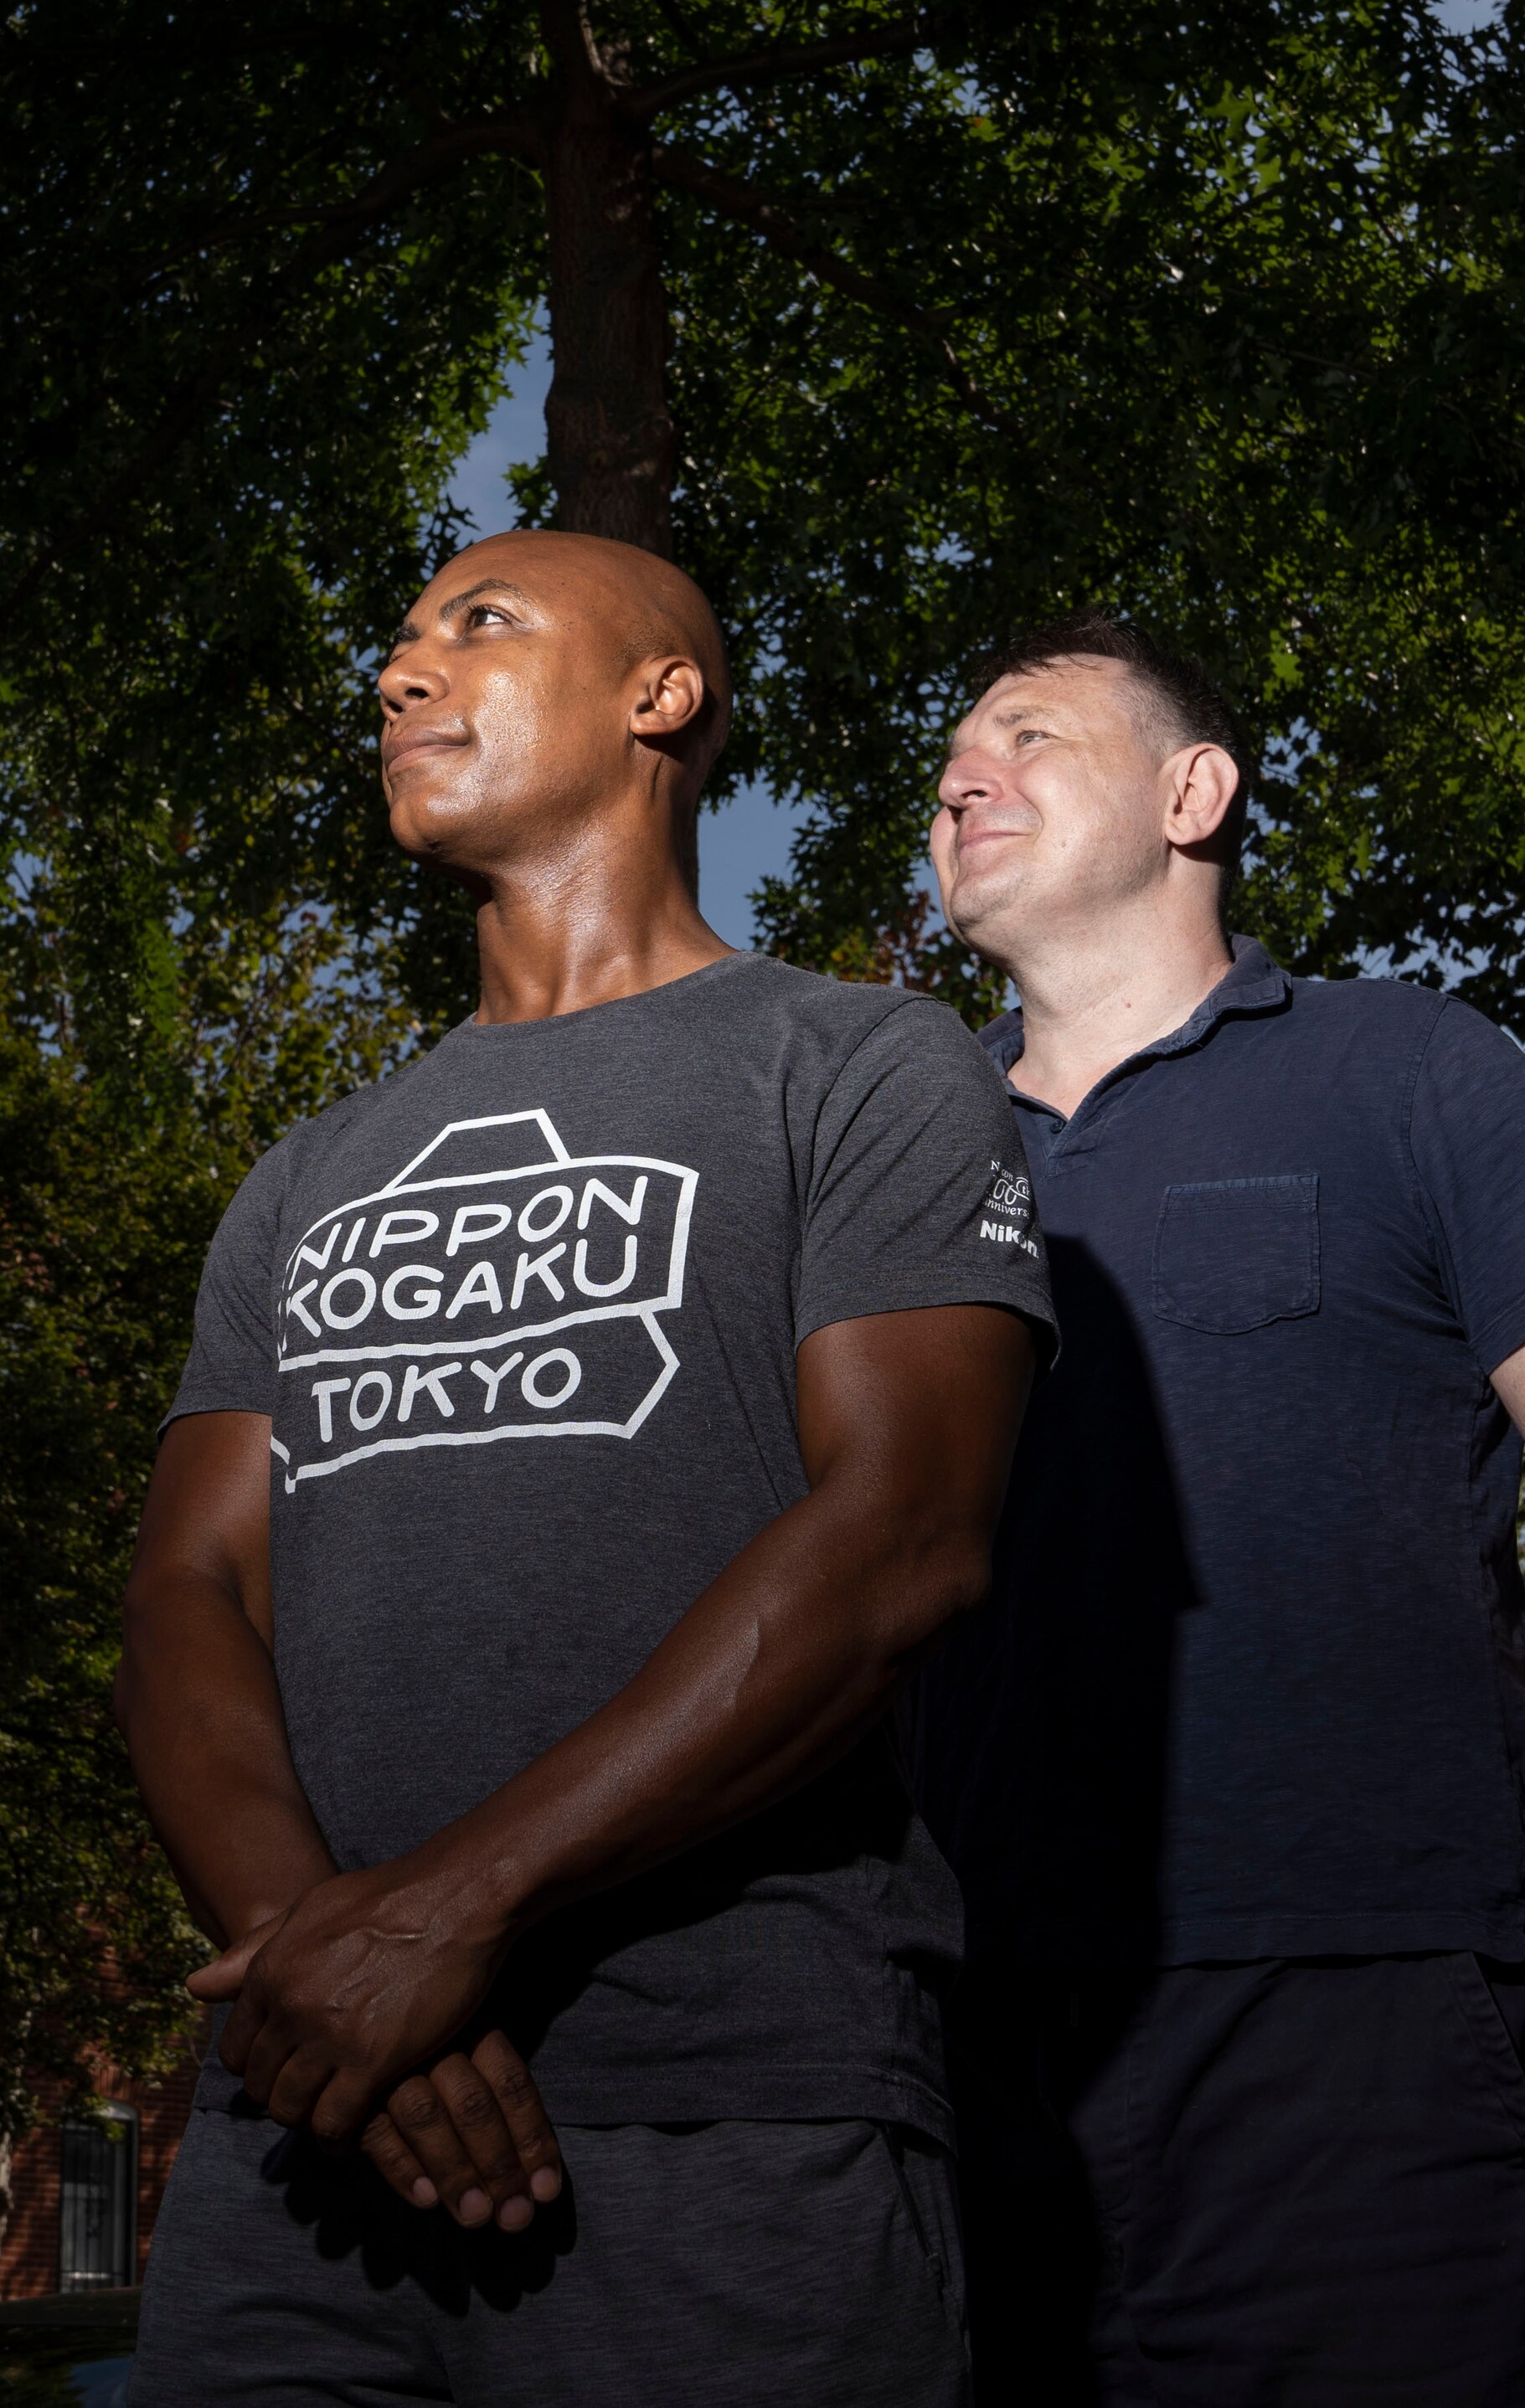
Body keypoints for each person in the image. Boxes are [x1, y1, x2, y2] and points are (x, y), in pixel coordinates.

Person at [116, 531, 1054, 2408]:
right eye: (392, 640)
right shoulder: (307, 1166)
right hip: (300, 2153)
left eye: (477, 625)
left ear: (660, 696)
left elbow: (904, 1540)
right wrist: (321, 1954)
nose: (398, 673)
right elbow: (183, 1594)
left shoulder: (859, 1065)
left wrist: (452, 1910)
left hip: (724, 2120)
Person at [909, 610, 1525, 2405]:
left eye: (1030, 734)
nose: (959, 774)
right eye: (948, 760)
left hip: (1366, 2036)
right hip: (955, 2048)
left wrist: (1504, 1855)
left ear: (1192, 791)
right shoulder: (893, 1164)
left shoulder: (1406, 1071)